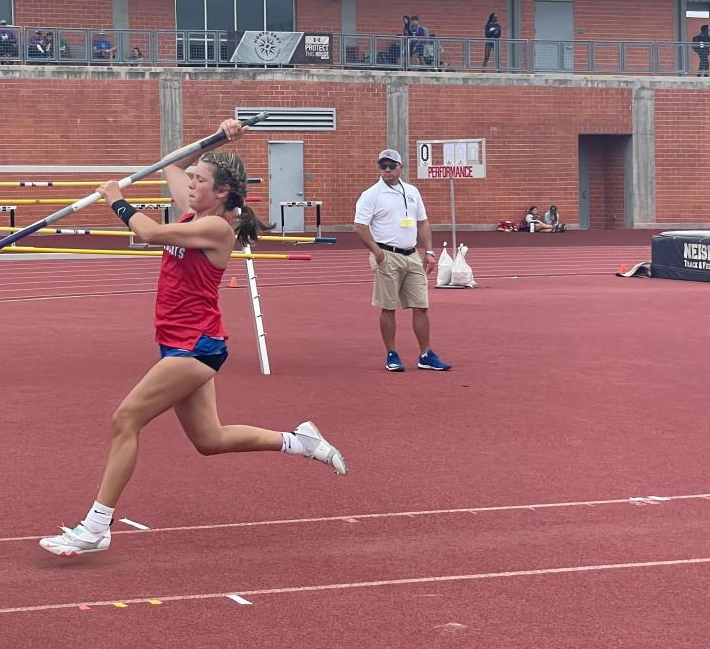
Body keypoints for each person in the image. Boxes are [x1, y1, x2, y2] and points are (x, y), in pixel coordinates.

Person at [38, 120, 348, 558]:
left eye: (200, 181)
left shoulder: (217, 229)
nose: (190, 184)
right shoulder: (192, 213)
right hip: (180, 343)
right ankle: (301, 442)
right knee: (209, 440)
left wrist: (116, 199)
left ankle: (96, 527)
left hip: (196, 346)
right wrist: (219, 137)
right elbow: (172, 164)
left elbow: (146, 232)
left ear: (220, 192)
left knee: (125, 421)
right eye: (194, 179)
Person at [354, 149, 451, 372]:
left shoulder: (412, 191)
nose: (387, 170)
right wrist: (378, 253)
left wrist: (429, 252)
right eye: (382, 166)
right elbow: (360, 226)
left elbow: (423, 222)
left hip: (412, 255)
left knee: (421, 306)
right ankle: (392, 354)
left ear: (400, 167)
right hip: (387, 255)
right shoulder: (371, 194)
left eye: (391, 166)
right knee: (388, 308)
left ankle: (426, 354)